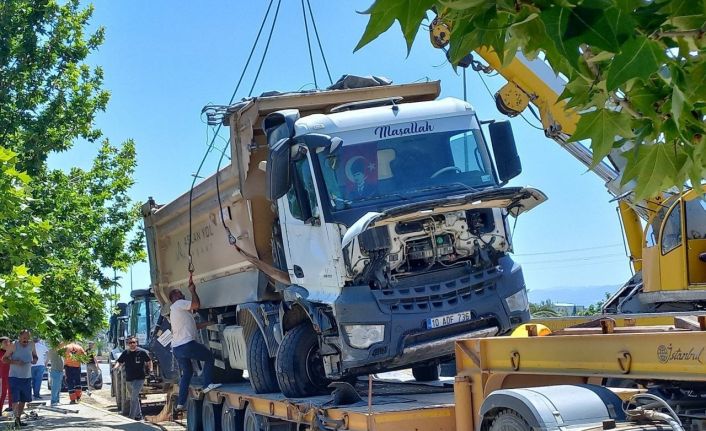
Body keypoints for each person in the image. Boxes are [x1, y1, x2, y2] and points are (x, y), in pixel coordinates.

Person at [169, 280, 221, 412]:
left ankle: (181, 403)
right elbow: (196, 304)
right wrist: (192, 290)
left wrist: (209, 323)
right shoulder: (179, 304)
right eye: (179, 294)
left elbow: (194, 326)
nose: (182, 295)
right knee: (209, 357)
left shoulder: (176, 311)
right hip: (187, 345)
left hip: (177, 348)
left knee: (187, 373)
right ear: (174, 298)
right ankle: (207, 384)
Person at [2, 329, 38, 428]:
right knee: (15, 399)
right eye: (24, 338)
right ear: (20, 337)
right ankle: (15, 420)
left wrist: (35, 360)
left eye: (27, 338)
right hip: (14, 377)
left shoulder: (32, 345)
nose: (25, 340)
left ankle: (18, 419)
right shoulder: (14, 345)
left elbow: (35, 356)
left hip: (27, 376)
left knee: (23, 400)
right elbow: (4, 359)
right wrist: (15, 362)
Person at [112, 336, 152, 420]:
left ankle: (131, 417)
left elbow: (149, 361)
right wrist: (115, 367)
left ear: (136, 343)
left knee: (133, 397)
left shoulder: (142, 352)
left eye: (133, 342)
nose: (132, 344)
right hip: (129, 379)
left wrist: (150, 370)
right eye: (130, 343)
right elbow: (119, 362)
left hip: (139, 378)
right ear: (127, 344)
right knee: (134, 398)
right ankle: (139, 416)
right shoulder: (125, 353)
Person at [0, 336, 12, 412]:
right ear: (1, 343)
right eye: (5, 342)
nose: (7, 343)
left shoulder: (11, 352)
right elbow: (4, 360)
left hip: (12, 374)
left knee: (11, 392)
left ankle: (11, 407)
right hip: (2, 376)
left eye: (8, 341)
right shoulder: (0, 352)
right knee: (3, 393)